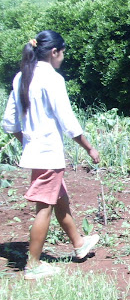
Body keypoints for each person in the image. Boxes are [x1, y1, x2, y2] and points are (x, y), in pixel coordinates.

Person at [2, 30, 100, 280]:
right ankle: (33, 265)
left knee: (60, 199)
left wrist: (29, 142)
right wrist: (89, 147)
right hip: (48, 155)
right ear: (54, 52)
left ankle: (79, 244)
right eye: (62, 53)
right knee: (44, 208)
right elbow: (67, 121)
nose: (63, 58)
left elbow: (10, 124)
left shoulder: (21, 77)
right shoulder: (52, 79)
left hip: (37, 152)